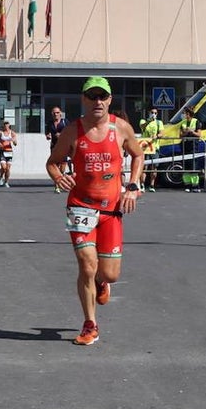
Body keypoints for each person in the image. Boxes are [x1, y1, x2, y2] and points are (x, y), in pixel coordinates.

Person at [45, 76, 144, 346]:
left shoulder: (121, 128)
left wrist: (132, 186)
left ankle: (103, 281)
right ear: (84, 100)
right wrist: (58, 177)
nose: (98, 101)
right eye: (92, 96)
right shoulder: (72, 131)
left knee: (109, 273)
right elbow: (53, 162)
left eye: (103, 96)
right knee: (87, 266)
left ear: (110, 100)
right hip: (80, 206)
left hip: (111, 209)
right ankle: (90, 324)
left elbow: (137, 154)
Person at [140, 108, 163, 192]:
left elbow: (161, 133)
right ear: (149, 113)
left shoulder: (159, 122)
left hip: (154, 147)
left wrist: (156, 136)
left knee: (154, 167)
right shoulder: (143, 121)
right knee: (145, 167)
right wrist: (149, 121)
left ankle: (152, 185)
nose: (154, 114)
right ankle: (142, 184)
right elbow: (142, 127)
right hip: (145, 147)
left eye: (155, 113)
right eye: (152, 112)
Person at [0, 121, 18, 187]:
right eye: (5, 126)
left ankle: (6, 182)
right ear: (3, 126)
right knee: (3, 168)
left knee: (8, 169)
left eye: (8, 126)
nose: (6, 127)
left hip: (9, 152)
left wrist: (14, 141)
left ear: (9, 126)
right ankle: (1, 176)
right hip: (2, 152)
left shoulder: (12, 133)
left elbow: (15, 144)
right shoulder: (0, 133)